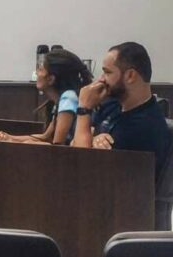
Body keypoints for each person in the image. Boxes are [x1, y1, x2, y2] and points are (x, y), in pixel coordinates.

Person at [72, 42, 169, 171]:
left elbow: (80, 163)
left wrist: (84, 109)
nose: (101, 79)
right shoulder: (112, 104)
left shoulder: (144, 126)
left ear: (130, 76)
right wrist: (92, 140)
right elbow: (74, 143)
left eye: (107, 72)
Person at [0, 49, 92, 145]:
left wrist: (25, 143)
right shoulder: (60, 100)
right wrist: (9, 137)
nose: (36, 73)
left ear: (51, 79)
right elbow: (45, 137)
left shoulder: (68, 98)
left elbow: (58, 146)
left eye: (40, 69)